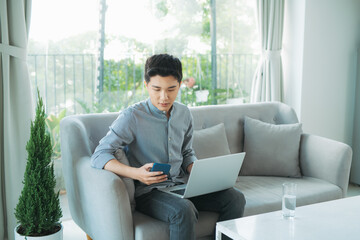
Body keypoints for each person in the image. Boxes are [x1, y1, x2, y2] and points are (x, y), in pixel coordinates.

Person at [91, 53, 246, 240]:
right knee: (183, 210)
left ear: (180, 85)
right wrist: (136, 173)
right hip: (149, 192)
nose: (164, 97)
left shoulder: (184, 113)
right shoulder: (132, 116)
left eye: (171, 89)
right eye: (156, 89)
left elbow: (187, 152)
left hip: (182, 185)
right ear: (146, 85)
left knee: (235, 198)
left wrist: (195, 169)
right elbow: (99, 154)